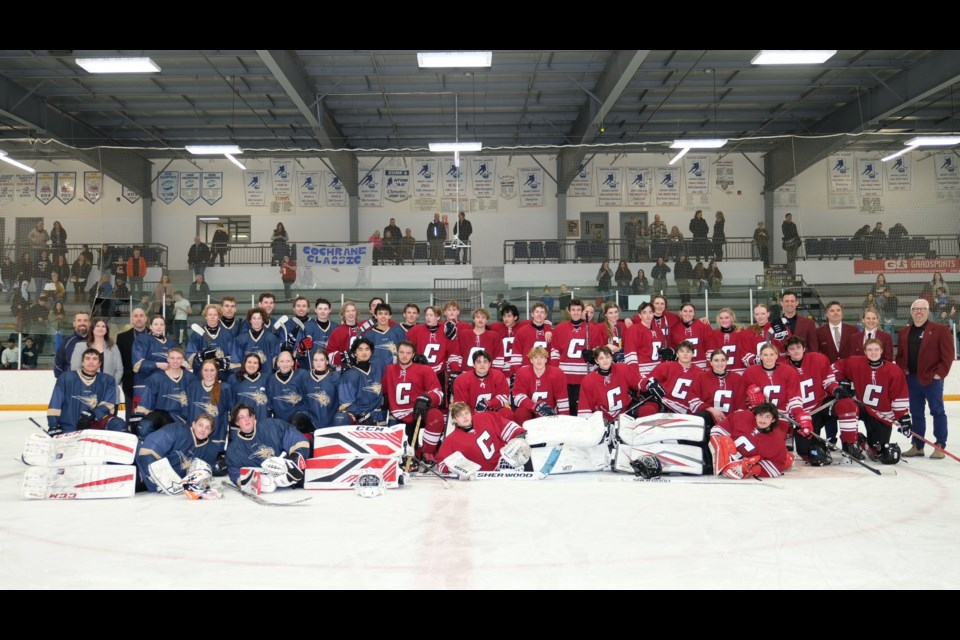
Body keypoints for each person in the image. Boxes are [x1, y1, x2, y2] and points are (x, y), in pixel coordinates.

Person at [834, 339, 911, 462]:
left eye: (876, 349)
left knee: (878, 452)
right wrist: (840, 381)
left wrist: (903, 417)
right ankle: (849, 444)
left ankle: (862, 441)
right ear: (865, 351)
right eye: (869, 350)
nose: (873, 353)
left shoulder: (894, 370)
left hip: (882, 415)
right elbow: (834, 368)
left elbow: (899, 396)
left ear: (881, 351)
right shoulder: (855, 362)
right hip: (861, 407)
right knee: (847, 406)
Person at [895, 300, 954, 458]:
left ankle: (940, 445)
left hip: (932, 379)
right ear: (911, 311)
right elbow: (900, 356)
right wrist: (903, 371)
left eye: (922, 309)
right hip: (912, 380)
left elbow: (948, 355)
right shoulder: (903, 332)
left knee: (937, 411)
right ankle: (917, 445)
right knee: (916, 413)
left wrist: (939, 374)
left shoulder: (940, 330)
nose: (918, 312)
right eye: (915, 309)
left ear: (928, 312)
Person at [225, 403, 309, 491]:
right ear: (236, 422)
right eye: (241, 417)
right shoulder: (233, 450)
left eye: (249, 415)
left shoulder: (272, 426)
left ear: (254, 417)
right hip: (268, 485)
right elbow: (234, 471)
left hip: (290, 479)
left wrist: (295, 458)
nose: (247, 419)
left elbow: (294, 437)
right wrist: (248, 482)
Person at [136, 413, 222, 495]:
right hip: (142, 474)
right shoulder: (177, 430)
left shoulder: (211, 449)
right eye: (200, 425)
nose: (203, 430)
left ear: (211, 431)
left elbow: (204, 476)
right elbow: (146, 450)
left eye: (207, 428)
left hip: (173, 490)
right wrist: (158, 478)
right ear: (193, 424)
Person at [435, 402, 530, 476]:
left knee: (518, 445)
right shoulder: (451, 440)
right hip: (479, 476)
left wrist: (518, 436)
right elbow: (442, 464)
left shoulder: (485, 417)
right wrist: (455, 469)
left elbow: (504, 425)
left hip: (503, 463)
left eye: (466, 413)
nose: (465, 417)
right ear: (455, 420)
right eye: (460, 415)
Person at [383, 340, 445, 452]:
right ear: (397, 353)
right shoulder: (389, 370)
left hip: (419, 412)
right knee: (407, 453)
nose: (404, 356)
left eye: (408, 353)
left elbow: (438, 393)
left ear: (413, 354)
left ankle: (428, 452)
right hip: (399, 415)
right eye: (401, 352)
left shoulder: (424, 370)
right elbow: (380, 389)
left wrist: (427, 398)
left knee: (436, 417)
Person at [46, 348, 126, 435]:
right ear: (82, 363)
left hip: (95, 427)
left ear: (99, 363)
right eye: (87, 359)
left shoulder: (108, 380)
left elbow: (108, 404)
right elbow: (55, 402)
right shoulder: (66, 378)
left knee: (118, 424)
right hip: (68, 428)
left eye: (95, 359)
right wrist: (53, 425)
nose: (91, 362)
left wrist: (93, 414)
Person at [709, 402, 794, 479]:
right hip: (718, 457)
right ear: (755, 415)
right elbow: (717, 431)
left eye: (767, 417)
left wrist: (752, 469)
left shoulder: (777, 442)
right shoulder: (742, 417)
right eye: (760, 415)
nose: (762, 420)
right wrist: (724, 455)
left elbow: (776, 466)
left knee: (786, 460)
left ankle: (789, 459)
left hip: (740, 465)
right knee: (723, 440)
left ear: (773, 419)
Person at [133, 347, 193, 439]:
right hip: (162, 416)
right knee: (144, 428)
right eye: (172, 358)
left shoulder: (190, 378)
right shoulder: (156, 378)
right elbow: (146, 402)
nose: (175, 361)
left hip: (182, 419)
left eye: (178, 358)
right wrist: (139, 420)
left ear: (183, 360)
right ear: (167, 359)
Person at [578, 345, 641, 421]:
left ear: (612, 358)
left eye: (607, 357)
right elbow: (584, 408)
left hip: (626, 414)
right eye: (601, 358)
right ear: (596, 361)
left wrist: (648, 383)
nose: (605, 360)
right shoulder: (588, 380)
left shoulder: (622, 369)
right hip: (602, 419)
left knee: (648, 409)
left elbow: (639, 382)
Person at [333, 338, 387, 426]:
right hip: (358, 416)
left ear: (371, 352)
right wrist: (362, 415)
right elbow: (346, 404)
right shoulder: (349, 374)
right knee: (340, 418)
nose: (364, 353)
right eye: (360, 350)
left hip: (379, 414)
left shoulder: (379, 365)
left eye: (367, 349)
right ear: (355, 353)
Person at [452, 350, 515, 423]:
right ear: (474, 365)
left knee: (507, 413)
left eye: (485, 362)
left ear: (489, 364)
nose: (482, 365)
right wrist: (475, 414)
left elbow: (504, 396)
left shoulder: (498, 376)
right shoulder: (462, 380)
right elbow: (460, 406)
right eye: (479, 362)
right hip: (471, 414)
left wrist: (489, 403)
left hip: (493, 411)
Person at [512, 346, 569, 424]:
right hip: (530, 411)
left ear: (546, 359)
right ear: (531, 360)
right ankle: (523, 434)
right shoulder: (523, 373)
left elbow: (562, 400)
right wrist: (535, 406)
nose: (539, 361)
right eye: (535, 358)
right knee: (521, 412)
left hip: (549, 413)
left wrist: (564, 421)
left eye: (542, 357)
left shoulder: (557, 373)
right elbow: (517, 397)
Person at [186, 304, 240, 378]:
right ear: (205, 316)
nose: (212, 317)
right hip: (202, 375)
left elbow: (234, 357)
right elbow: (190, 356)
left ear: (219, 317)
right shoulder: (197, 334)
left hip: (222, 375)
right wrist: (202, 356)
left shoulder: (227, 334)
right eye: (210, 314)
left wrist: (223, 362)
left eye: (215, 314)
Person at [70, 317, 123, 385]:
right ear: (92, 329)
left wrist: (112, 385)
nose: (100, 328)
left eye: (103, 326)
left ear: (106, 330)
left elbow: (119, 370)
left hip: (109, 389)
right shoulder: (81, 346)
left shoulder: (113, 347)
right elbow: (75, 369)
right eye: (97, 326)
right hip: (87, 389)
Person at [301, 350, 340, 430]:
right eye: (315, 360)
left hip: (331, 419)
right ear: (312, 362)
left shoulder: (335, 376)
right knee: (297, 420)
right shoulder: (305, 376)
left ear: (326, 362)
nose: (318, 363)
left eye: (321, 360)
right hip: (311, 419)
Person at [235, 307, 280, 373]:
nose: (256, 321)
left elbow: (276, 360)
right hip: (247, 377)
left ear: (263, 320)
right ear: (250, 320)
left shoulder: (272, 338)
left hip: (266, 377)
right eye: (254, 318)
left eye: (259, 318)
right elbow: (237, 361)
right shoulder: (241, 339)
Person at [779, 290, 819, 355]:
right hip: (783, 363)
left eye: (792, 301)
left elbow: (813, 348)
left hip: (804, 363)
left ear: (797, 303)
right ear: (781, 303)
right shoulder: (775, 324)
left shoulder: (809, 323)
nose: (789, 304)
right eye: (787, 301)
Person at [54, 311, 90, 378]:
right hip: (71, 384)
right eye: (79, 320)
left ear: (89, 323)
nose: (82, 323)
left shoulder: (96, 342)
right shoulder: (66, 342)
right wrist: (64, 381)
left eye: (85, 320)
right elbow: (58, 365)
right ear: (74, 324)